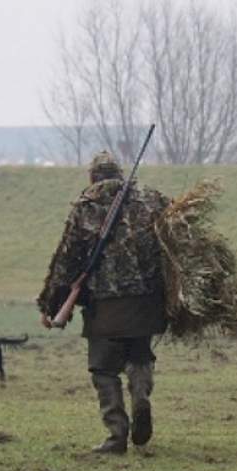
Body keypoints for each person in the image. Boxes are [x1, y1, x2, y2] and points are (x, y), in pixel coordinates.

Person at [38, 151, 170, 454]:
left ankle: (117, 435)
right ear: (120, 175)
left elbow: (66, 259)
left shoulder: (86, 207)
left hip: (105, 304)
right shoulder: (151, 201)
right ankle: (140, 397)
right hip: (146, 302)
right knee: (139, 356)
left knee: (103, 369)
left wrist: (50, 304)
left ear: (92, 177)